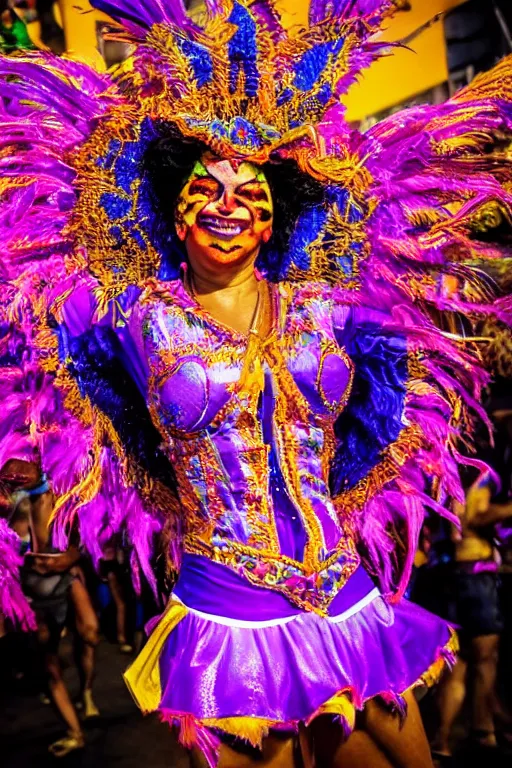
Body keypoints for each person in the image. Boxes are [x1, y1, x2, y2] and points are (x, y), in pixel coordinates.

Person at [1, 2, 511, 766]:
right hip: (227, 605)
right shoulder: (135, 317)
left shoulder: (323, 304)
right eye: (207, 191)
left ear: (273, 222)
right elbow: (32, 306)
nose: (228, 205)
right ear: (175, 217)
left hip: (342, 592)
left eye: (251, 194)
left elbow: (417, 314)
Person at [0, 459, 100, 756]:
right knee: (50, 665)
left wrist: (70, 558)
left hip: (63, 578)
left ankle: (86, 693)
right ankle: (75, 731)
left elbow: (79, 543)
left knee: (91, 635)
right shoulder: (15, 497)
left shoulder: (61, 491)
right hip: (30, 590)